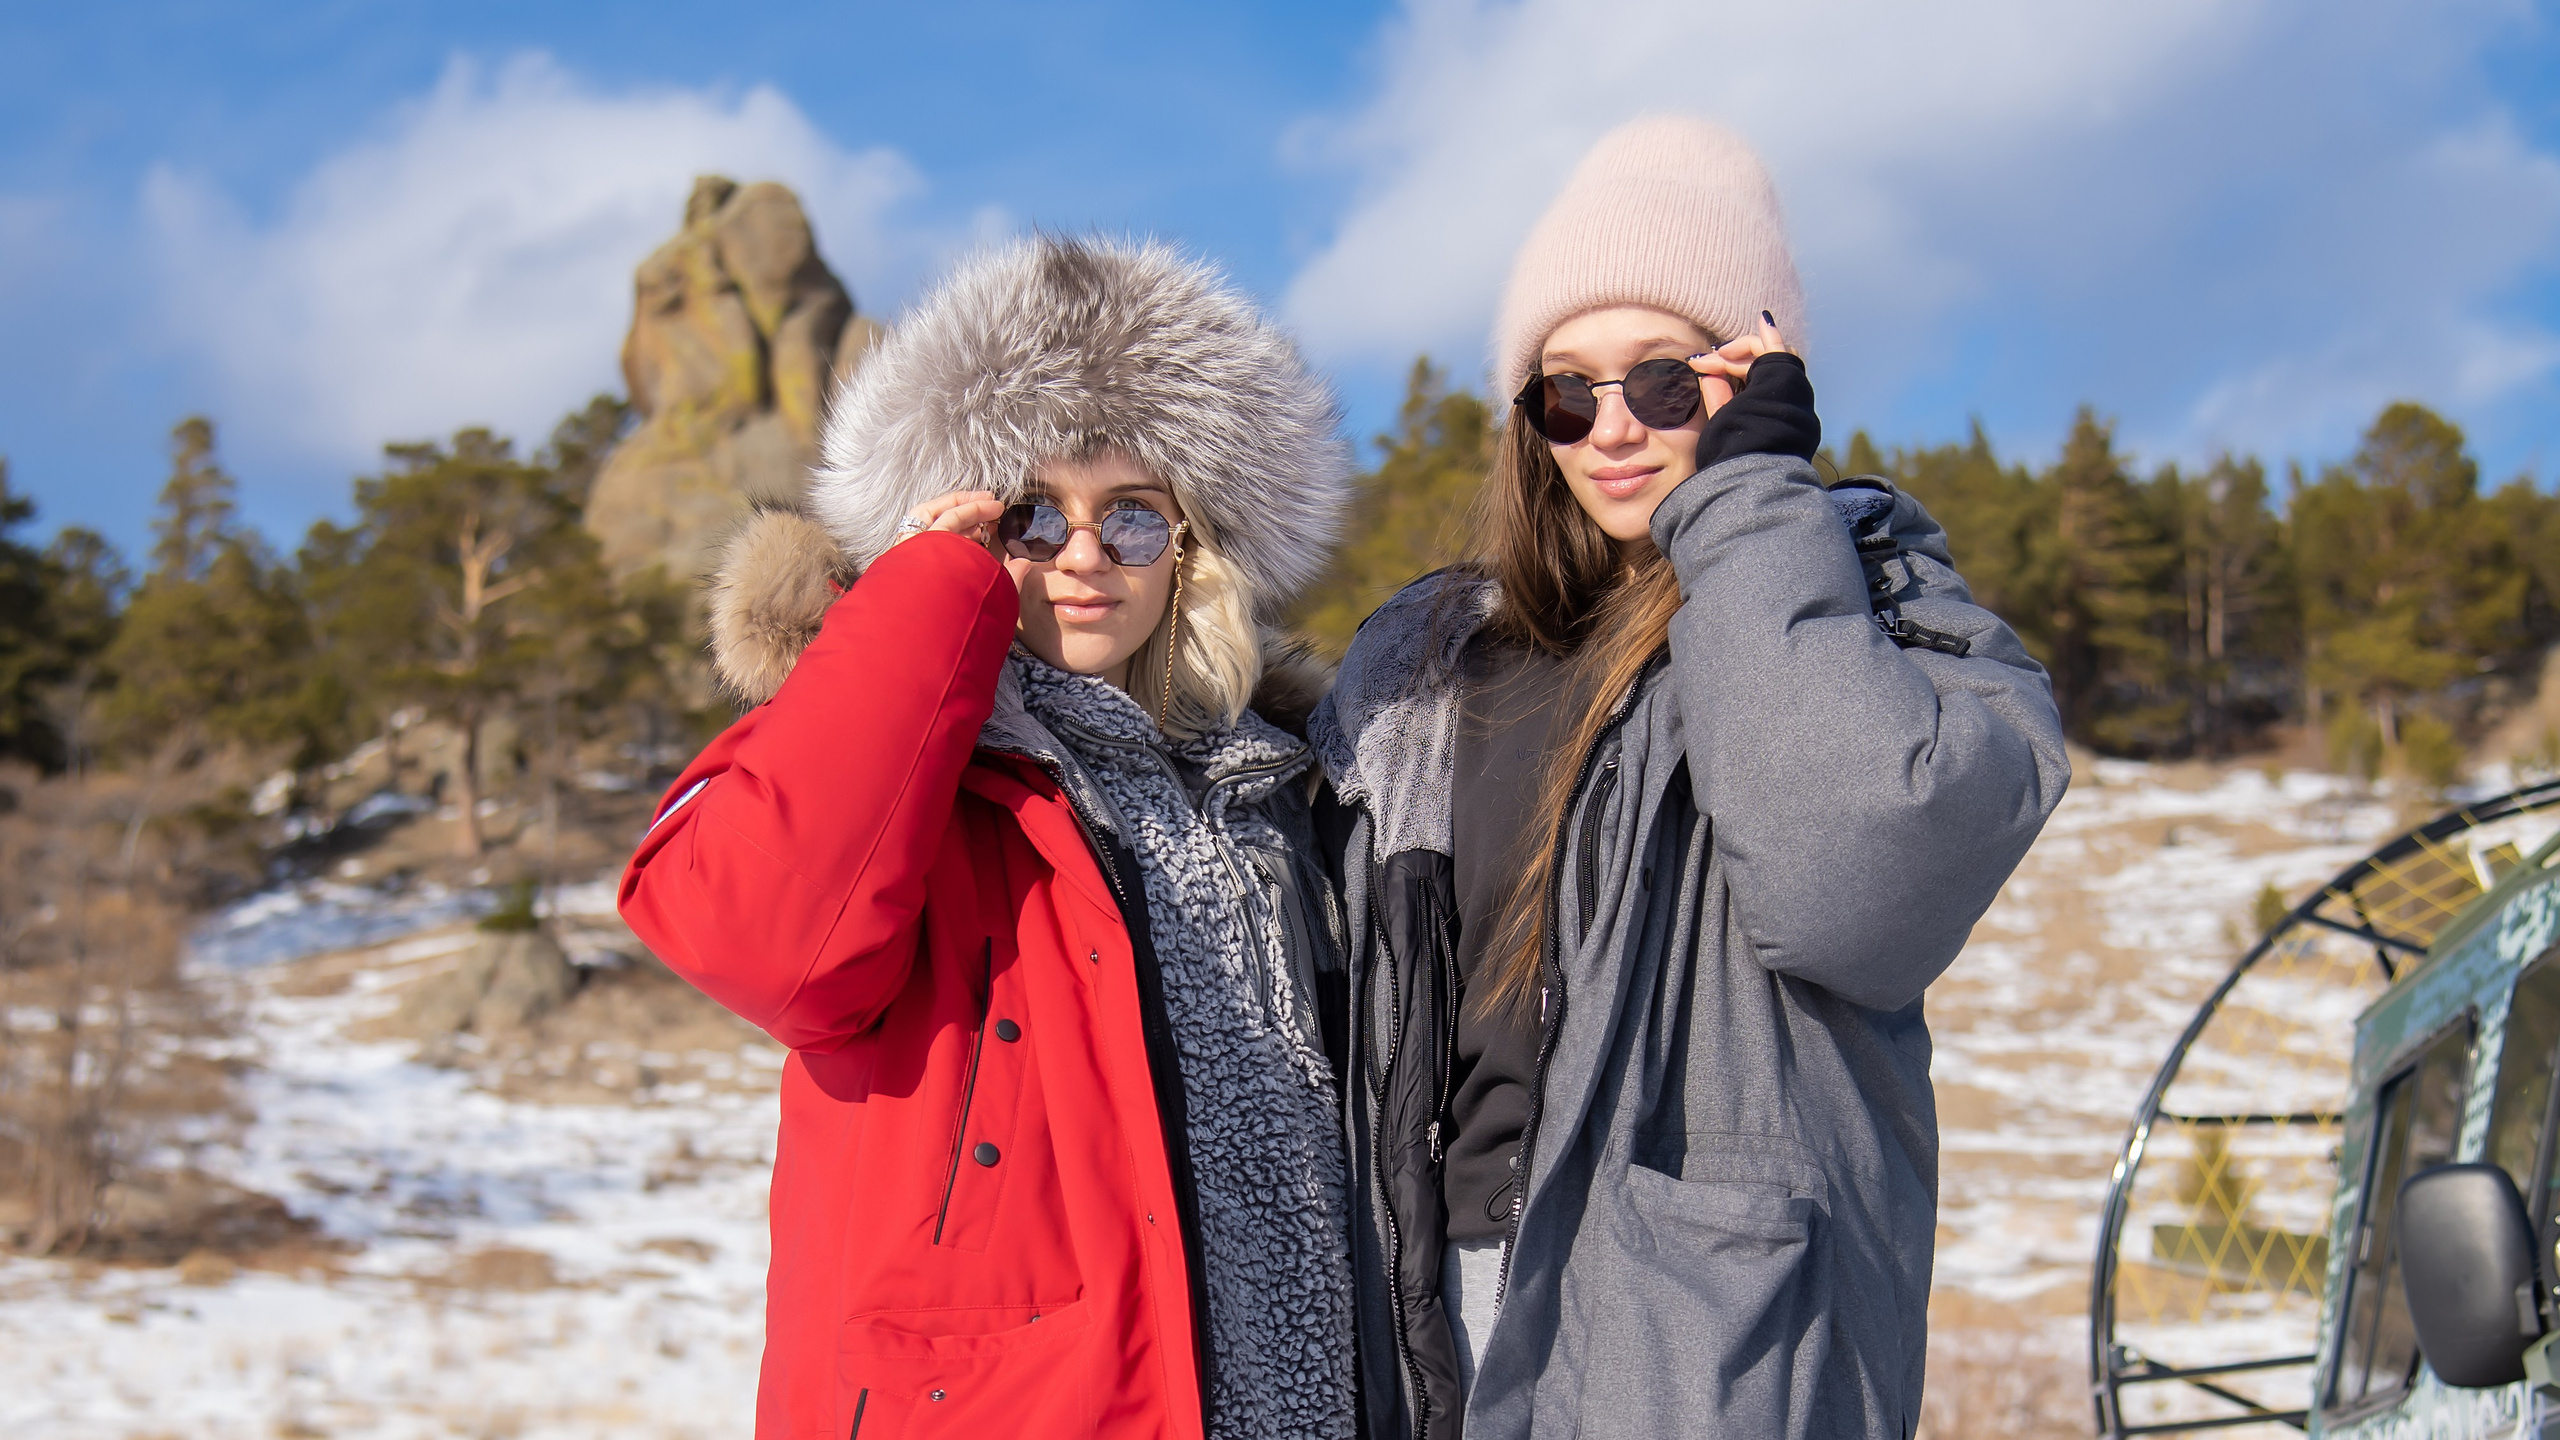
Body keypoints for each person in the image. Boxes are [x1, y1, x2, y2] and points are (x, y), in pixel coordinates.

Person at [1310, 116, 2070, 1439]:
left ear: (1758, 375)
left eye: (1664, 382)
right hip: (1438, 1318)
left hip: (1701, 1344)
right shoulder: (1425, 666)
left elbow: (1852, 885)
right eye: (1566, 391)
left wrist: (1755, 499)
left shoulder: (1883, 609)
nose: (1612, 428)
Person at [621, 235, 1358, 1440]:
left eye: (1132, 519)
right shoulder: (901, 767)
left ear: (1191, 553)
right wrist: (919, 592)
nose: (1081, 554)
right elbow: (757, 939)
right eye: (1030, 514)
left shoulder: (1276, 793)